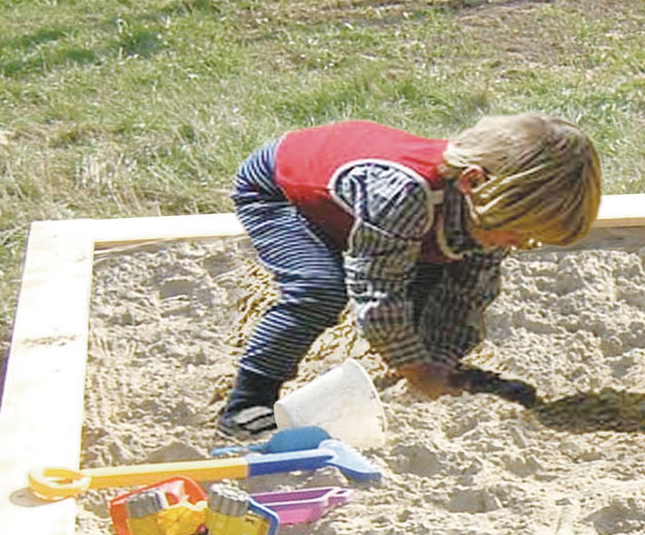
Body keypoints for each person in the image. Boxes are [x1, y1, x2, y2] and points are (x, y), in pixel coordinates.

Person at [219, 113, 602, 437]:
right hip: (282, 193)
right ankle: (249, 398)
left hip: (372, 213)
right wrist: (416, 368)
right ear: (473, 182)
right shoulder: (404, 194)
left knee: (436, 274)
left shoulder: (490, 204)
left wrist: (440, 361)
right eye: (516, 234)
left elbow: (469, 295)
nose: (517, 245)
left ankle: (420, 365)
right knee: (320, 289)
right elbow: (376, 291)